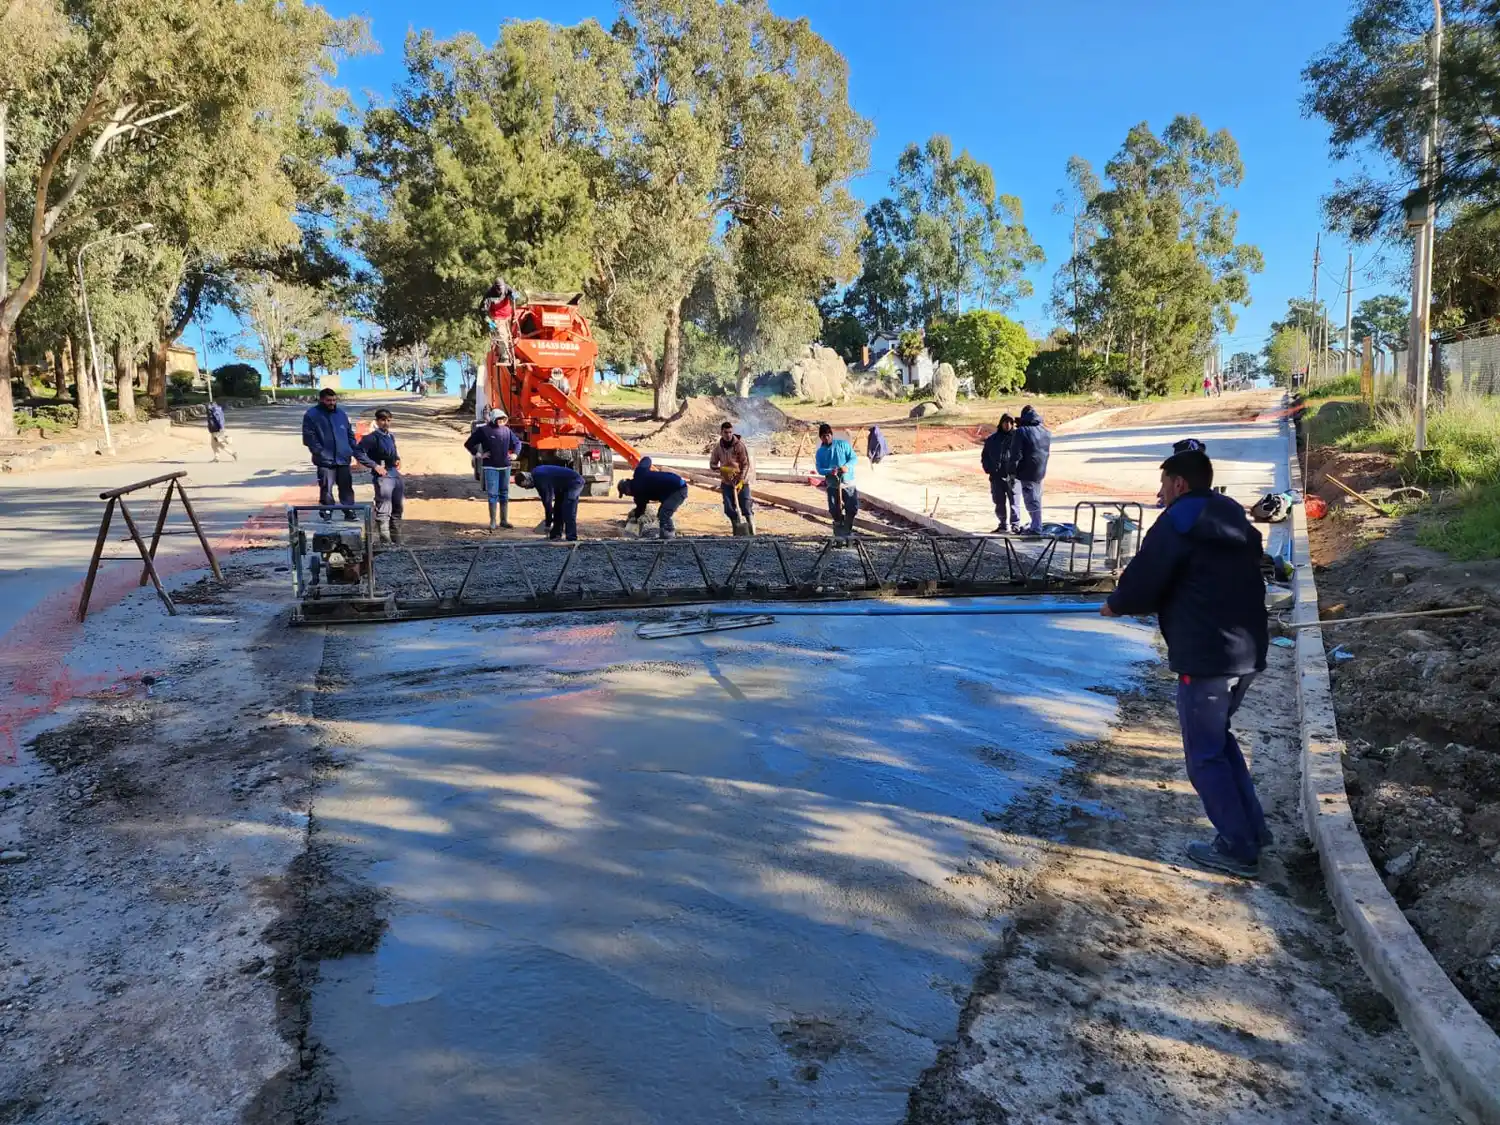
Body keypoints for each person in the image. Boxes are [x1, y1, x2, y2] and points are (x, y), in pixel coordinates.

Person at [1100, 447, 1271, 879]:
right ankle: (1252, 829)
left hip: (1208, 655)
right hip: (1248, 652)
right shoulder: (1233, 517)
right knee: (1219, 741)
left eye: (1163, 485)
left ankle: (1237, 847)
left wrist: (1116, 605)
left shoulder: (1177, 522)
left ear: (1179, 484)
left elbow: (1145, 578)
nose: (1159, 494)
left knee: (1203, 756)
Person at [302, 388, 372, 521]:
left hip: (343, 458)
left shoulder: (341, 414)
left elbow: (349, 433)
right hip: (325, 460)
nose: (332, 403)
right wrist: (319, 451)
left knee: (346, 487)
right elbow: (309, 437)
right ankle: (327, 512)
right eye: (328, 400)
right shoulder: (312, 415)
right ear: (322, 399)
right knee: (326, 488)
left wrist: (351, 448)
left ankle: (349, 510)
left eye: (334, 400)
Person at [465, 409, 523, 531]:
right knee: (492, 494)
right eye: (499, 419)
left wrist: (515, 455)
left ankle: (504, 520)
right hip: (490, 467)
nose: (501, 421)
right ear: (493, 419)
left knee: (504, 493)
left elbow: (517, 443)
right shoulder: (483, 430)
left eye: (503, 419)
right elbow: (469, 443)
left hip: (505, 467)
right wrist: (479, 454)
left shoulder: (507, 430)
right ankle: (493, 521)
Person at [357, 409, 404, 546]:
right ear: (377, 421)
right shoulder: (371, 438)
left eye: (388, 420)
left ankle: (397, 540)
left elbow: (393, 451)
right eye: (383, 420)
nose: (386, 423)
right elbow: (358, 451)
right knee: (384, 507)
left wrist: (397, 458)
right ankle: (385, 540)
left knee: (397, 507)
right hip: (383, 476)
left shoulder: (390, 436)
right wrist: (374, 465)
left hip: (394, 473)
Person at [617, 456, 690, 539]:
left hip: (677, 489)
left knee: (664, 515)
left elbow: (640, 509)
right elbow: (647, 459)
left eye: (626, 494)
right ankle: (666, 536)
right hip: (676, 484)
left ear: (627, 489)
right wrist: (640, 467)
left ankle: (669, 538)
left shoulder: (638, 493)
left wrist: (635, 518)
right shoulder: (639, 473)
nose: (629, 495)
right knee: (662, 513)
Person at [709, 421, 755, 536]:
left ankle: (752, 532)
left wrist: (741, 479)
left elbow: (745, 464)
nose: (728, 435)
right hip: (727, 483)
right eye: (726, 432)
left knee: (746, 507)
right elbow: (712, 465)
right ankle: (737, 530)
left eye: (730, 432)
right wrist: (723, 469)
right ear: (721, 433)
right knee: (729, 508)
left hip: (741, 482)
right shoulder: (718, 448)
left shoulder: (739, 445)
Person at [814, 422, 859, 541]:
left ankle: (847, 529)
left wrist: (847, 467)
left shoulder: (843, 445)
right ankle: (839, 529)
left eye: (828, 435)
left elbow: (854, 458)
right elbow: (819, 469)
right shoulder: (820, 452)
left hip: (847, 482)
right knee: (834, 508)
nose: (827, 438)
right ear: (821, 438)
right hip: (833, 485)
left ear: (832, 435)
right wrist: (830, 471)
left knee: (852, 507)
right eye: (824, 436)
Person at [1013, 405, 1051, 536]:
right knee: (1037, 498)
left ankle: (1036, 527)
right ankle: (1036, 525)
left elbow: (1015, 454)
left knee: (1031, 499)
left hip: (1027, 470)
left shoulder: (1021, 431)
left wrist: (1011, 471)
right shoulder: (1046, 431)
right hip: (1040, 470)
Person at [979, 414, 1020, 534]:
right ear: (1001, 423)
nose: (1007, 425)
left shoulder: (1017, 438)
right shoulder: (992, 439)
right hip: (996, 476)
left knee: (1014, 502)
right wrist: (988, 468)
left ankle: (1015, 525)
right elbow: (985, 456)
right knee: (999, 502)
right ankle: (1002, 524)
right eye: (1005, 422)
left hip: (1013, 476)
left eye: (1010, 423)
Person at [524, 463, 585, 542]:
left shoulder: (540, 479)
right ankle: (555, 535)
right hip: (562, 486)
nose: (526, 488)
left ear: (528, 481)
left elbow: (547, 503)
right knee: (558, 509)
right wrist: (549, 520)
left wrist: (548, 523)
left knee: (568, 510)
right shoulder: (536, 473)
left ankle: (571, 539)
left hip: (575, 483)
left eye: (526, 486)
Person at [480, 278, 516, 363]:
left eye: (502, 289)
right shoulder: (489, 295)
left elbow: (515, 294)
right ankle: (505, 356)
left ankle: (508, 351)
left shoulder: (507, 288)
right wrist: (489, 321)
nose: (501, 292)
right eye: (499, 290)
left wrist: (515, 295)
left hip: (508, 315)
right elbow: (482, 310)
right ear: (495, 288)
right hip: (497, 317)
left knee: (511, 335)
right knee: (502, 335)